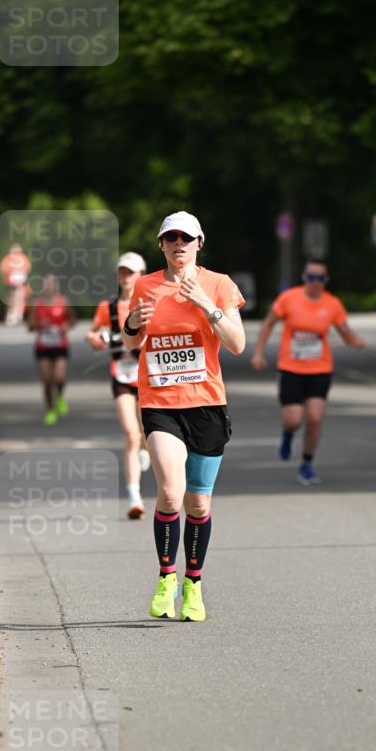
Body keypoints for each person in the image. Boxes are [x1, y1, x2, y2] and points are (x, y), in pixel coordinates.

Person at [122, 211, 246, 622]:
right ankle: (166, 577)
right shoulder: (145, 285)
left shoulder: (219, 284)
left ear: (199, 243)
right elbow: (133, 343)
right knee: (171, 493)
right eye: (170, 238)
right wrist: (131, 326)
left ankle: (193, 583)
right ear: (161, 244)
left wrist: (207, 305)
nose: (179, 244)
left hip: (207, 405)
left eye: (186, 238)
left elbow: (238, 344)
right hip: (160, 403)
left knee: (197, 502)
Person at [251, 260, 366, 484]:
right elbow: (268, 324)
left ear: (325, 281)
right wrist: (258, 353)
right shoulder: (289, 298)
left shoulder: (332, 304)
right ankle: (287, 436)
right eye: (311, 277)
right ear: (304, 277)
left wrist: (355, 341)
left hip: (319, 369)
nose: (315, 283)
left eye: (320, 279)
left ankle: (306, 464)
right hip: (291, 368)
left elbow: (344, 332)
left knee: (314, 417)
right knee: (293, 419)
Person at [86, 252, 151, 520]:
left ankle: (145, 449)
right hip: (122, 377)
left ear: (141, 276)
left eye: (131, 272)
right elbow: (92, 332)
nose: (126, 277)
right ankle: (134, 496)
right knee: (130, 435)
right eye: (122, 272)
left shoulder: (149, 304)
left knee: (147, 434)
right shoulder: (108, 307)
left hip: (149, 377)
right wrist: (95, 339)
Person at [26, 274, 76, 425]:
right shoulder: (37, 303)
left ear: (56, 286)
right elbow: (30, 326)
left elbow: (72, 320)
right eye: (46, 284)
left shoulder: (63, 302)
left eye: (52, 283)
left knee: (59, 378)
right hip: (43, 346)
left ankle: (59, 396)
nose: (49, 286)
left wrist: (63, 327)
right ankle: (50, 409)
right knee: (47, 380)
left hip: (60, 345)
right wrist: (40, 324)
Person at [0, 243, 31, 326]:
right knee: (12, 298)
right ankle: (12, 315)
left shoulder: (22, 258)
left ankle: (17, 315)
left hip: (19, 282)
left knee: (19, 298)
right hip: (11, 282)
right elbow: (3, 268)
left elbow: (27, 268)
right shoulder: (8, 258)